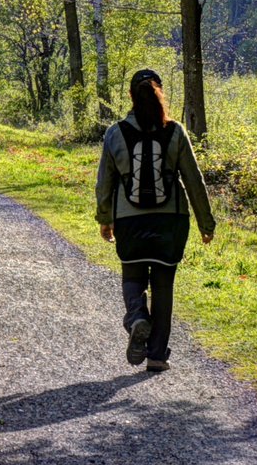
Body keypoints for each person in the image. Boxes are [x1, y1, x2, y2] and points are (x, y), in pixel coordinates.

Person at [95, 68, 215, 372]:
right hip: (170, 222)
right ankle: (157, 355)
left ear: (131, 96)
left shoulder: (115, 133)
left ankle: (137, 318)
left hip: (130, 222)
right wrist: (206, 223)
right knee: (163, 286)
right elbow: (193, 179)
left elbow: (104, 182)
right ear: (159, 92)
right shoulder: (175, 131)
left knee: (132, 277)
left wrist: (105, 219)